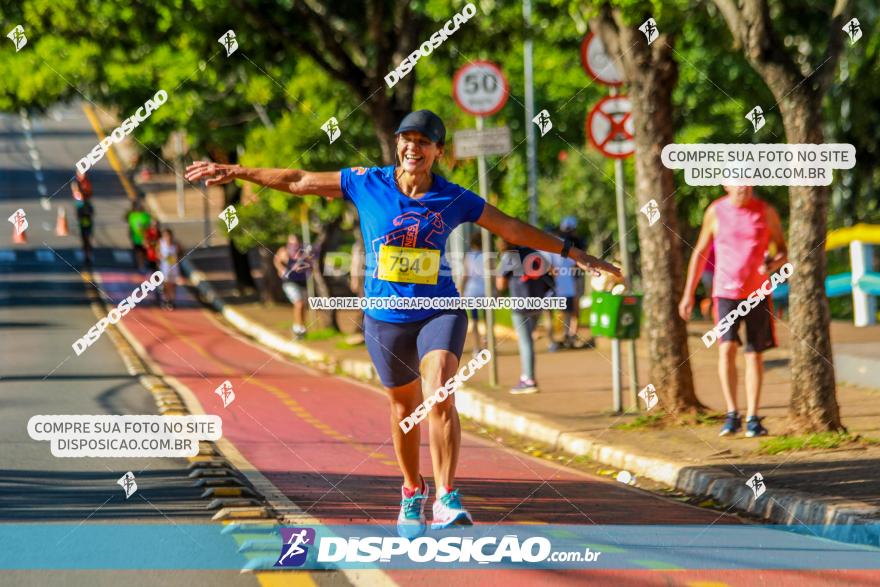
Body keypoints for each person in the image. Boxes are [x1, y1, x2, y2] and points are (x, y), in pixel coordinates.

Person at [184, 109, 620, 539]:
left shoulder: (453, 197)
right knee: (403, 409)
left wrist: (575, 253)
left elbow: (510, 227)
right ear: (397, 145)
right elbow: (299, 180)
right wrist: (238, 171)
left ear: (437, 152)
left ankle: (447, 497)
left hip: (440, 310)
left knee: (440, 392)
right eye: (407, 139)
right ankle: (412, 490)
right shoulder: (365, 182)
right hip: (385, 318)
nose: (414, 147)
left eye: (424, 142)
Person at [678, 183, 787, 438]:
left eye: (748, 182)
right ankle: (731, 413)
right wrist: (688, 294)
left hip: (758, 293)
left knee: (754, 354)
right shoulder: (715, 212)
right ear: (726, 185)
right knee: (726, 349)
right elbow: (700, 253)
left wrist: (773, 262)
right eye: (737, 181)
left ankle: (752, 417)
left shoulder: (765, 212)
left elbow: (782, 249)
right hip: (725, 293)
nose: (743, 187)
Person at [497, 238, 555, 394]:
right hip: (537, 302)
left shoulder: (509, 256)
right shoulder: (534, 253)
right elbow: (552, 271)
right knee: (528, 340)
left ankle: (528, 379)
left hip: (520, 304)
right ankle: (528, 377)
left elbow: (500, 284)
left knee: (525, 342)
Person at [274, 233, 315, 340]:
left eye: (295, 243)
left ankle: (302, 327)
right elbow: (277, 261)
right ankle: (297, 328)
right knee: (299, 303)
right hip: (289, 282)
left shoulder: (304, 252)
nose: (293, 245)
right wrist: (281, 269)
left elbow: (311, 264)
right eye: (291, 243)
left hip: (302, 281)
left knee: (303, 306)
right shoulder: (284, 251)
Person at [462, 232, 486, 355]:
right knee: (487, 319)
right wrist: (495, 291)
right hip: (485, 291)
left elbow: (465, 275)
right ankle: (487, 341)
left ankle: (477, 347)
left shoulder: (468, 256)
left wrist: (461, 290)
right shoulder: (487, 256)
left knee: (475, 320)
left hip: (471, 291)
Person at [158, 228, 183, 310]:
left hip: (174, 268)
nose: (166, 237)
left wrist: (177, 258)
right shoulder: (161, 243)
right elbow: (157, 254)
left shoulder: (175, 245)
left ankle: (172, 301)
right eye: (165, 236)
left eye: (168, 235)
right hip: (164, 268)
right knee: (165, 285)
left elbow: (180, 253)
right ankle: (165, 300)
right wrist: (161, 258)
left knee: (172, 285)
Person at [125, 200, 152, 273]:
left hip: (145, 239)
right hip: (136, 238)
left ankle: (143, 264)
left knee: (145, 253)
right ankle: (140, 265)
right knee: (138, 252)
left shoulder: (146, 216)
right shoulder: (132, 215)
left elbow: (150, 226)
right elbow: (126, 218)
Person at [71, 182, 94, 265]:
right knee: (85, 241)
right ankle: (87, 256)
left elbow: (89, 213)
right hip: (85, 225)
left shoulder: (84, 205)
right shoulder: (82, 205)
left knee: (86, 241)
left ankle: (88, 256)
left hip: (86, 225)